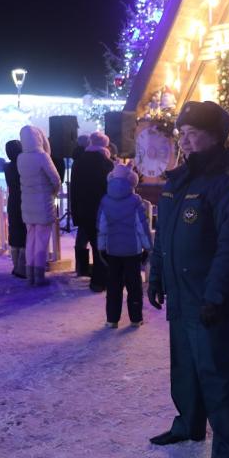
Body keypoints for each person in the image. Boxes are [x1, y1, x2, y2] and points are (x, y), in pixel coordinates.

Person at [147, 101, 229, 458]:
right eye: (182, 134)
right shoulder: (180, 180)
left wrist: (216, 296)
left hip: (209, 297)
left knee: (216, 371)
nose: (185, 141)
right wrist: (156, 276)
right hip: (181, 293)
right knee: (185, 366)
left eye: (193, 134)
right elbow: (163, 236)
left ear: (215, 136)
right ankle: (188, 424)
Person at [97, 163, 152, 328]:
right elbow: (141, 227)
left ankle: (112, 319)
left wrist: (101, 248)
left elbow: (102, 228)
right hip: (132, 251)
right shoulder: (135, 201)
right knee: (134, 285)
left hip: (112, 250)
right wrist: (148, 247)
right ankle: (136, 318)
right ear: (132, 180)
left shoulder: (105, 201)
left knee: (113, 285)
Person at [70, 131, 113, 292]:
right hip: (101, 211)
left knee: (92, 242)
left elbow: (74, 189)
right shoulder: (106, 163)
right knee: (101, 246)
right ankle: (100, 281)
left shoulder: (78, 162)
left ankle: (90, 274)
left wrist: (76, 212)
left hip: (84, 210)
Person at [17, 125, 60, 286]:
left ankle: (30, 275)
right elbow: (55, 179)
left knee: (30, 240)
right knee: (42, 241)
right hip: (43, 204)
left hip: (27, 205)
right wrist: (54, 192)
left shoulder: (21, 157)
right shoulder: (42, 156)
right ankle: (39, 275)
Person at [4, 139, 27, 278]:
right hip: (24, 200)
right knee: (24, 232)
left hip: (12, 201)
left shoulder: (7, 167)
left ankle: (15, 265)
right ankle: (22, 267)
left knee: (14, 230)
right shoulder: (23, 166)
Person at [70, 135, 91, 276]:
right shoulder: (86, 160)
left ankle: (80, 268)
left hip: (80, 203)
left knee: (82, 236)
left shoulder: (76, 160)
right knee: (89, 236)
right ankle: (83, 269)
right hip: (88, 202)